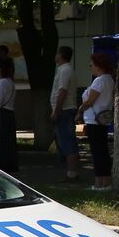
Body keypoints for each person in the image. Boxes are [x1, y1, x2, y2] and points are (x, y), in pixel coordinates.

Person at [79, 52, 116, 189]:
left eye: (92, 65)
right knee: (102, 151)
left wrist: (80, 109)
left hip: (94, 120)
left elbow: (90, 101)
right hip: (102, 119)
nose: (90, 67)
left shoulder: (100, 80)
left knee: (97, 152)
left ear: (99, 66)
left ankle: (100, 183)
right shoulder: (109, 79)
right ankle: (104, 182)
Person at [49, 46, 80, 181]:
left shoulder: (65, 70)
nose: (55, 55)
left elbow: (62, 91)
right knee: (63, 141)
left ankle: (72, 173)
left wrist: (57, 110)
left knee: (67, 141)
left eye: (56, 53)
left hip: (65, 110)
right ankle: (70, 171)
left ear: (60, 55)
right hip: (65, 110)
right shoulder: (63, 70)